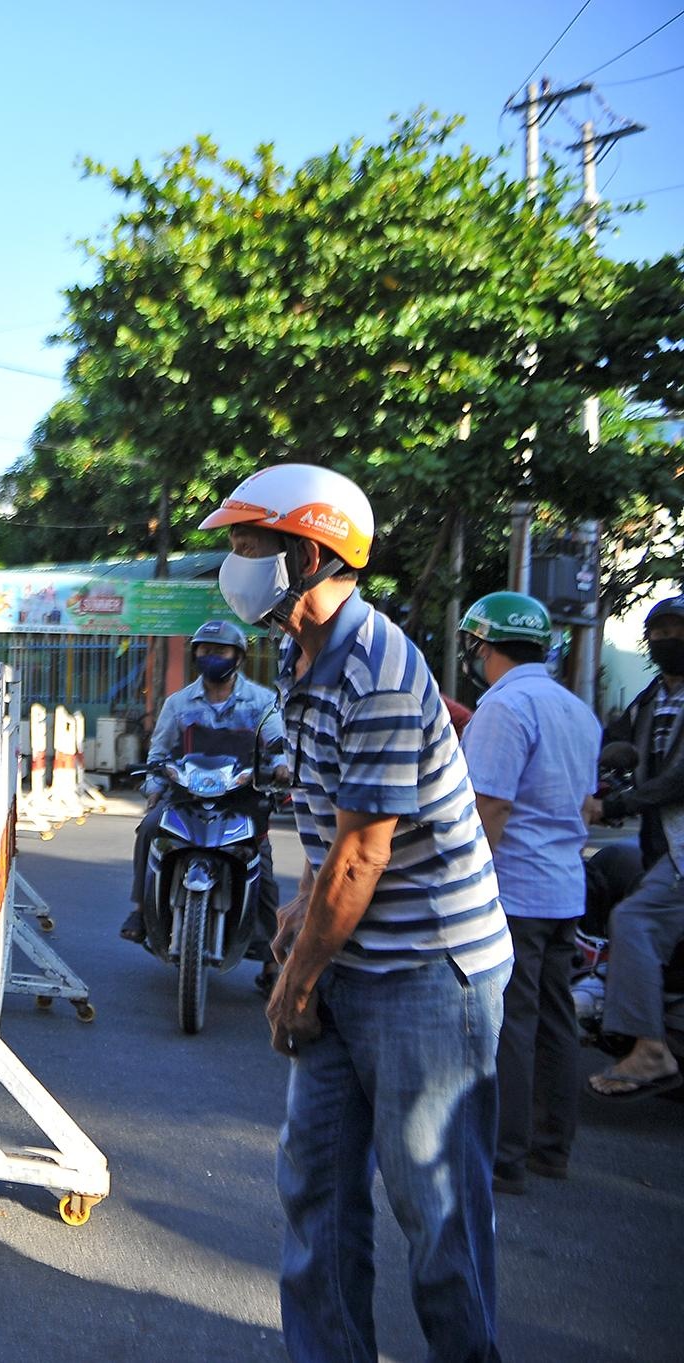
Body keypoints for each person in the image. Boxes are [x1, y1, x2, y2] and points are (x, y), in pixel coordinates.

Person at [202, 463, 510, 1363]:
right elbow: (328, 842)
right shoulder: (303, 662)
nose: (233, 562)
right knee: (316, 1189)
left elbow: (364, 852)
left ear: (305, 552)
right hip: (351, 955)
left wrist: (293, 983)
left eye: (246, 544)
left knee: (437, 1211)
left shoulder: (375, 665)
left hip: (429, 972)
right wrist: (300, 923)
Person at [455, 591, 599, 1192]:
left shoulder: (504, 707)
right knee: (555, 1019)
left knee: (510, 1021)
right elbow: (588, 805)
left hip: (513, 890)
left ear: (484, 646)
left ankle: (505, 1157)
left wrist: (462, 886)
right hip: (565, 887)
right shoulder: (577, 710)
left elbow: (489, 808)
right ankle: (551, 1148)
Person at [120, 617, 288, 986]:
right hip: (185, 796)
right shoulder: (178, 703)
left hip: (244, 799)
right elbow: (159, 752)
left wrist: (279, 769)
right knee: (150, 829)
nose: (211, 657)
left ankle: (273, 959)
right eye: (205, 651)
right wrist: (153, 788)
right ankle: (139, 911)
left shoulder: (262, 703)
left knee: (264, 870)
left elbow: (278, 748)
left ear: (238, 657)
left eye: (220, 651)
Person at [587, 595, 684, 1100]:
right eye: (660, 632)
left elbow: (676, 781)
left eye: (677, 630)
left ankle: (650, 1048)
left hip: (680, 846)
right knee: (606, 869)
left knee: (634, 920)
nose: (669, 640)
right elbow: (614, 741)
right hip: (660, 842)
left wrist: (612, 806)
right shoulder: (652, 698)